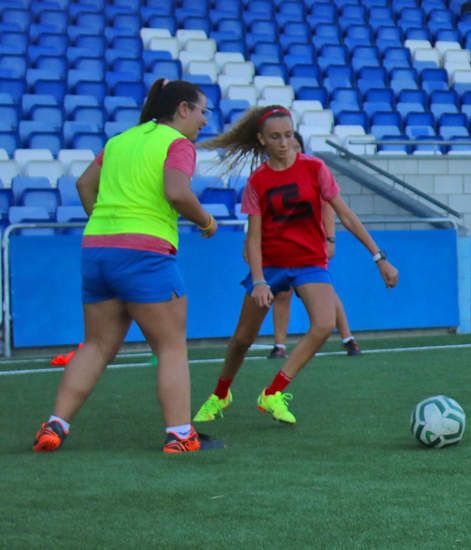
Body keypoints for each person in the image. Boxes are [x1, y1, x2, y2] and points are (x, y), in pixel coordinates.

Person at [32, 79, 221, 454]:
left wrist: (106, 225)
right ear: (183, 109)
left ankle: (57, 423)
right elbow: (177, 192)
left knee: (97, 345)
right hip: (146, 253)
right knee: (170, 346)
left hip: (98, 249)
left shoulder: (120, 141)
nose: (204, 121)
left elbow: (85, 185)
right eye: (203, 111)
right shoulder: (177, 144)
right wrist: (206, 222)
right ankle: (181, 435)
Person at [192, 105, 398, 425]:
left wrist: (379, 258)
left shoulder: (315, 169)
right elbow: (255, 237)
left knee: (324, 323)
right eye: (275, 137)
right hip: (272, 264)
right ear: (261, 139)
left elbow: (345, 214)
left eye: (288, 135)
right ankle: (220, 394)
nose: (284, 142)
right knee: (242, 339)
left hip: (309, 262)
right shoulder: (257, 182)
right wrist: (259, 280)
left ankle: (273, 392)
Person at [265, 133, 362, 359]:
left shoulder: (312, 172)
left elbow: (328, 207)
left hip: (311, 244)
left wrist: (329, 238)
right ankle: (279, 345)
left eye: (296, 145)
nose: (290, 148)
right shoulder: (270, 176)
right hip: (283, 246)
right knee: (282, 293)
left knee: (324, 292)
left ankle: (348, 337)